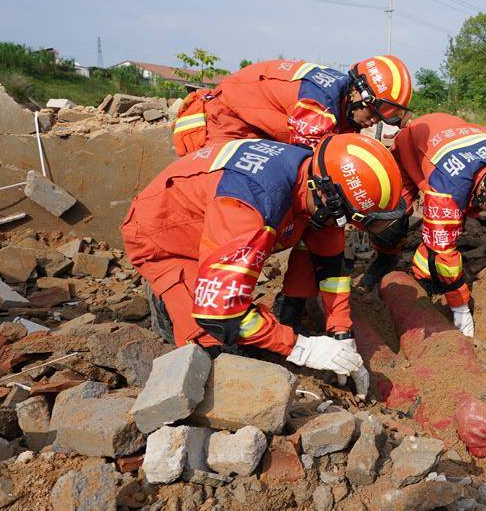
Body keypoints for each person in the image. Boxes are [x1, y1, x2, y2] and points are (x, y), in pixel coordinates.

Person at [121, 134, 406, 382]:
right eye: (344, 218)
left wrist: (341, 332)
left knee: (319, 235)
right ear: (325, 195)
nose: (341, 225)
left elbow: (331, 264)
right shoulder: (250, 205)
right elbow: (219, 312)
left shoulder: (313, 173)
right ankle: (170, 306)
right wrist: (302, 348)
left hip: (217, 220)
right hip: (166, 237)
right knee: (211, 346)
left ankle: (286, 317)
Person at [358, 114, 486, 336]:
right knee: (389, 221)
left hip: (450, 136)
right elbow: (442, 249)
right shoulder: (447, 189)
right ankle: (391, 261)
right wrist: (459, 305)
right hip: (412, 150)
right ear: (481, 196)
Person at [171, 56, 413, 155]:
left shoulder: (340, 98)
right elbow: (313, 168)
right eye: (373, 111)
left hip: (250, 125)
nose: (374, 121)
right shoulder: (317, 104)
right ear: (357, 92)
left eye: (382, 117)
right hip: (222, 123)